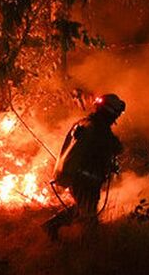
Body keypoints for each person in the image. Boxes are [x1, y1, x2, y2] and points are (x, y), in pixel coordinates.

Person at [43, 93, 125, 240]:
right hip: (85, 178)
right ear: (110, 112)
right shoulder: (100, 130)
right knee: (89, 216)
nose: (117, 118)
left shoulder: (83, 123)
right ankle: (89, 247)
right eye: (116, 114)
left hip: (74, 174)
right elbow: (115, 147)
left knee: (83, 207)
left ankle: (52, 225)